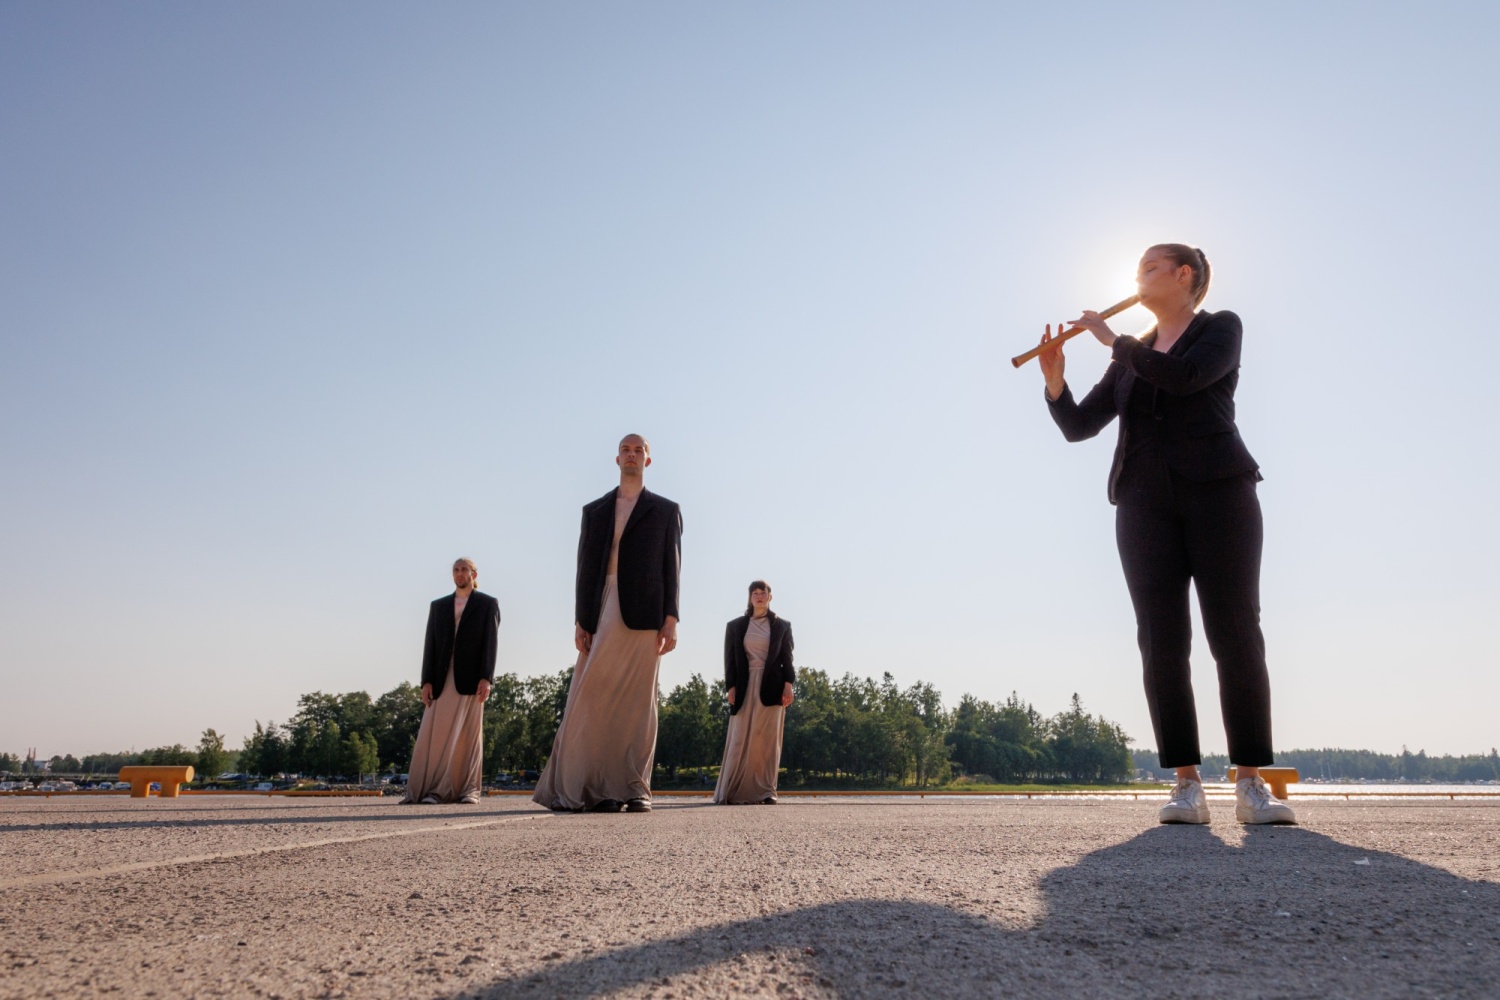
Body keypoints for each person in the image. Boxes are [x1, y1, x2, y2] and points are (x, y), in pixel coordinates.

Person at [1036, 244, 1294, 826]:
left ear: (1185, 276)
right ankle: (1185, 784)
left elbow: (1186, 378)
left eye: (1151, 267)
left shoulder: (1220, 329)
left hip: (1220, 494)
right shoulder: (1131, 355)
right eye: (1137, 268)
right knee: (1160, 638)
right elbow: (1081, 427)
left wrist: (1114, 343)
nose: (1139, 275)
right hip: (1143, 503)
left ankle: (1251, 783)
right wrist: (1056, 383)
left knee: (1235, 631)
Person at [533, 434, 682, 813]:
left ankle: (635, 788)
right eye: (626, 450)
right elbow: (583, 569)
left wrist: (671, 618)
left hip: (646, 612)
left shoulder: (666, 511)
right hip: (602, 607)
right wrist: (581, 619)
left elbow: (673, 568)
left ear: (648, 461)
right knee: (591, 695)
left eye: (639, 450)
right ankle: (593, 786)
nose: (632, 455)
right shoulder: (595, 510)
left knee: (638, 702)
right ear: (616, 459)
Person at [402, 558, 501, 805]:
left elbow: (491, 643)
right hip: (441, 676)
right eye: (455, 570)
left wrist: (487, 677)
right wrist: (426, 681)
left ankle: (469, 790)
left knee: (468, 734)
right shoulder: (438, 606)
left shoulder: (488, 604)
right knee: (436, 734)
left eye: (464, 569)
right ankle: (434, 790)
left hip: (471, 678)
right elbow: (430, 645)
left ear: (474, 573)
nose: (459, 574)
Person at [714, 580, 796, 805]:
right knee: (740, 736)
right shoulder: (736, 626)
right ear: (750, 598)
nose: (759, 596)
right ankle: (733, 791)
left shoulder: (782, 626)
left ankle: (766, 791)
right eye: (755, 593)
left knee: (767, 739)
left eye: (763, 593)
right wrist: (730, 686)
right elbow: (729, 659)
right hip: (744, 684)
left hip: (772, 686)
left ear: (770, 597)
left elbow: (787, 658)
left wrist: (789, 683)